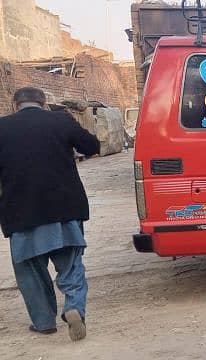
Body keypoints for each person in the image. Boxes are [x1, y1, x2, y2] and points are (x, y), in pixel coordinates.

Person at [0, 87, 100, 341]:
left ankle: (44, 322)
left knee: (30, 272)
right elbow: (91, 145)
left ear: (14, 105)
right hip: (65, 209)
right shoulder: (59, 119)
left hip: (21, 213)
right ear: (44, 104)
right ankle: (74, 307)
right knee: (71, 265)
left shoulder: (2, 127)